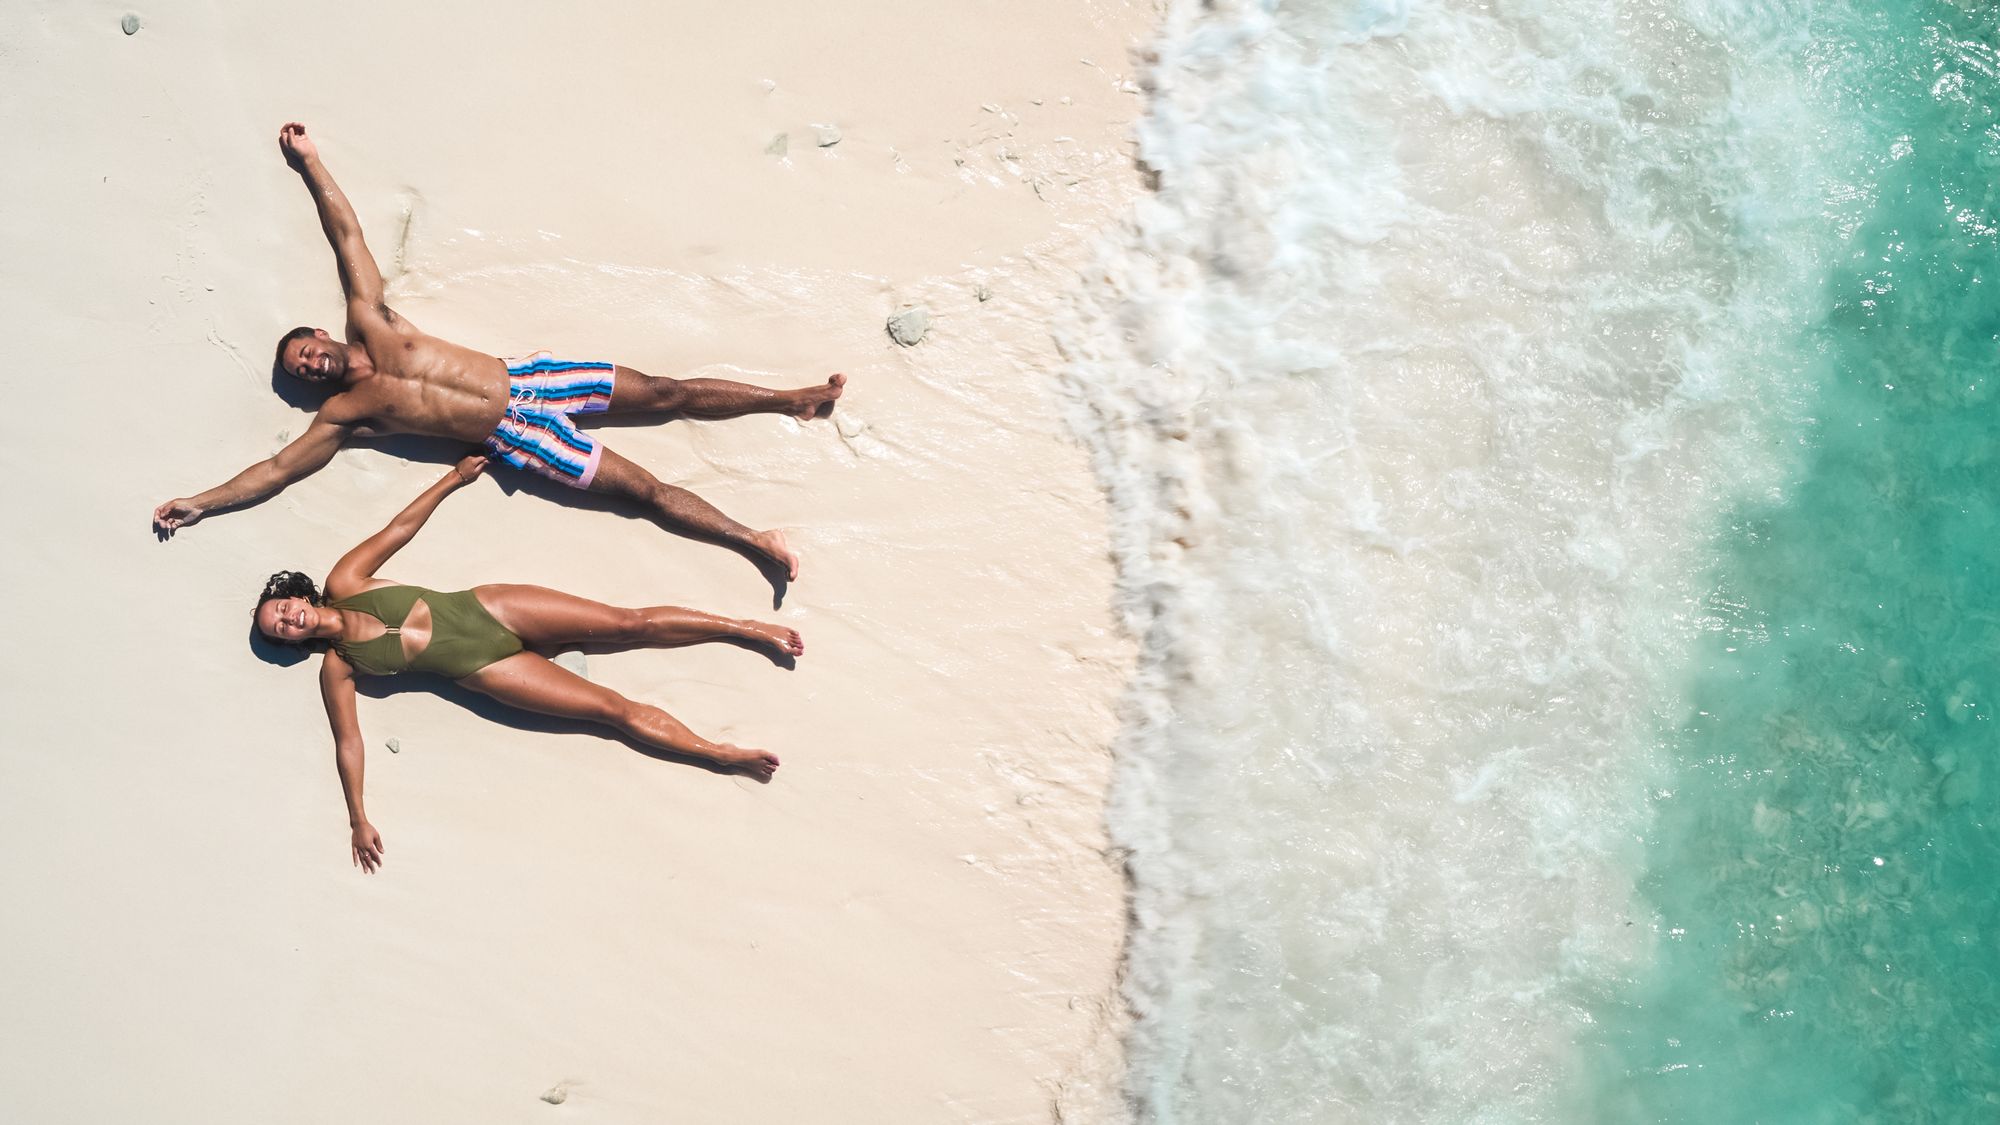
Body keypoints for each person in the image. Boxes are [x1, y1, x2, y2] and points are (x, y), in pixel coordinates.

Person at [157, 122, 844, 581]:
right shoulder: (344, 415)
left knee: (667, 393)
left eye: (304, 351)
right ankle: (758, 542)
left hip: (535, 381)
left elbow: (348, 237)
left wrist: (311, 161)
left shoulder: (370, 317)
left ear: (319, 333)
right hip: (518, 439)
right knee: (646, 493)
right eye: (301, 372)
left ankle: (793, 400)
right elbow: (277, 470)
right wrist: (202, 502)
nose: (309, 365)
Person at [255, 453, 797, 873]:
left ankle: (748, 629)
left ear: (295, 596)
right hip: (485, 669)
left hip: (489, 608)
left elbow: (397, 531)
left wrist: (453, 479)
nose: (287, 621)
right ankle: (720, 753)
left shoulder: (345, 581)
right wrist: (359, 818)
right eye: (280, 630)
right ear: (291, 641)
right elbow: (349, 741)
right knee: (612, 711)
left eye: (281, 610)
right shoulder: (338, 668)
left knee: (626, 623)